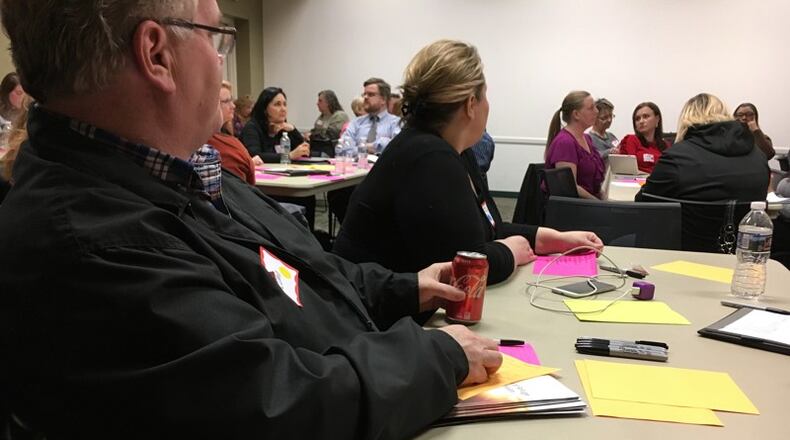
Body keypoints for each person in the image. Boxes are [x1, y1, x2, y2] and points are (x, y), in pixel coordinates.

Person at [0, 2, 503, 438]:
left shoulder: (186, 176)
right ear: (157, 55)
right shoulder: (97, 246)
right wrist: (437, 356)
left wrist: (405, 288)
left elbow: (294, 276)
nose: (224, 68)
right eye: (217, 38)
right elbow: (276, 406)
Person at [333, 40, 603, 287]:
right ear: (471, 104)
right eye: (485, 96)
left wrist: (554, 238)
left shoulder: (457, 152)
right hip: (372, 321)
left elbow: (490, 230)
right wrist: (510, 251)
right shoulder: (428, 157)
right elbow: (465, 265)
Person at [636, 93, 769, 252]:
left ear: (686, 119)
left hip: (680, 260)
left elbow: (643, 204)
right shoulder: (759, 157)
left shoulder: (677, 157)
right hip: (744, 261)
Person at [544, 90, 605, 199]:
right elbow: (569, 187)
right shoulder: (565, 142)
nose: (596, 111)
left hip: (588, 202)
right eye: (591, 108)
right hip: (574, 207)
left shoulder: (587, 138)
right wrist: (599, 203)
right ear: (576, 114)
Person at [241, 86, 310, 163]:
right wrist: (288, 156)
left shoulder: (284, 128)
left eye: (284, 104)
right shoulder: (252, 128)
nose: (283, 109)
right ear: (265, 109)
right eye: (277, 104)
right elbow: (255, 155)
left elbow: (305, 151)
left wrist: (293, 130)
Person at [207, 82, 256, 184]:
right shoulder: (230, 147)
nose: (233, 106)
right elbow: (251, 183)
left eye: (232, 100)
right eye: (227, 101)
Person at [340, 77, 401, 154]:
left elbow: (397, 147)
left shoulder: (396, 123)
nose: (365, 97)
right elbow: (343, 149)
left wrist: (361, 147)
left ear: (383, 100)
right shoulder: (356, 123)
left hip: (383, 165)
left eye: (371, 94)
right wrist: (371, 147)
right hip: (357, 165)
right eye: (364, 94)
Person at [617, 102, 669, 174]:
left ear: (657, 119)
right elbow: (628, 171)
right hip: (637, 182)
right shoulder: (631, 140)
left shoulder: (665, 145)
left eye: (646, 116)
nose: (641, 121)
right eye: (637, 119)